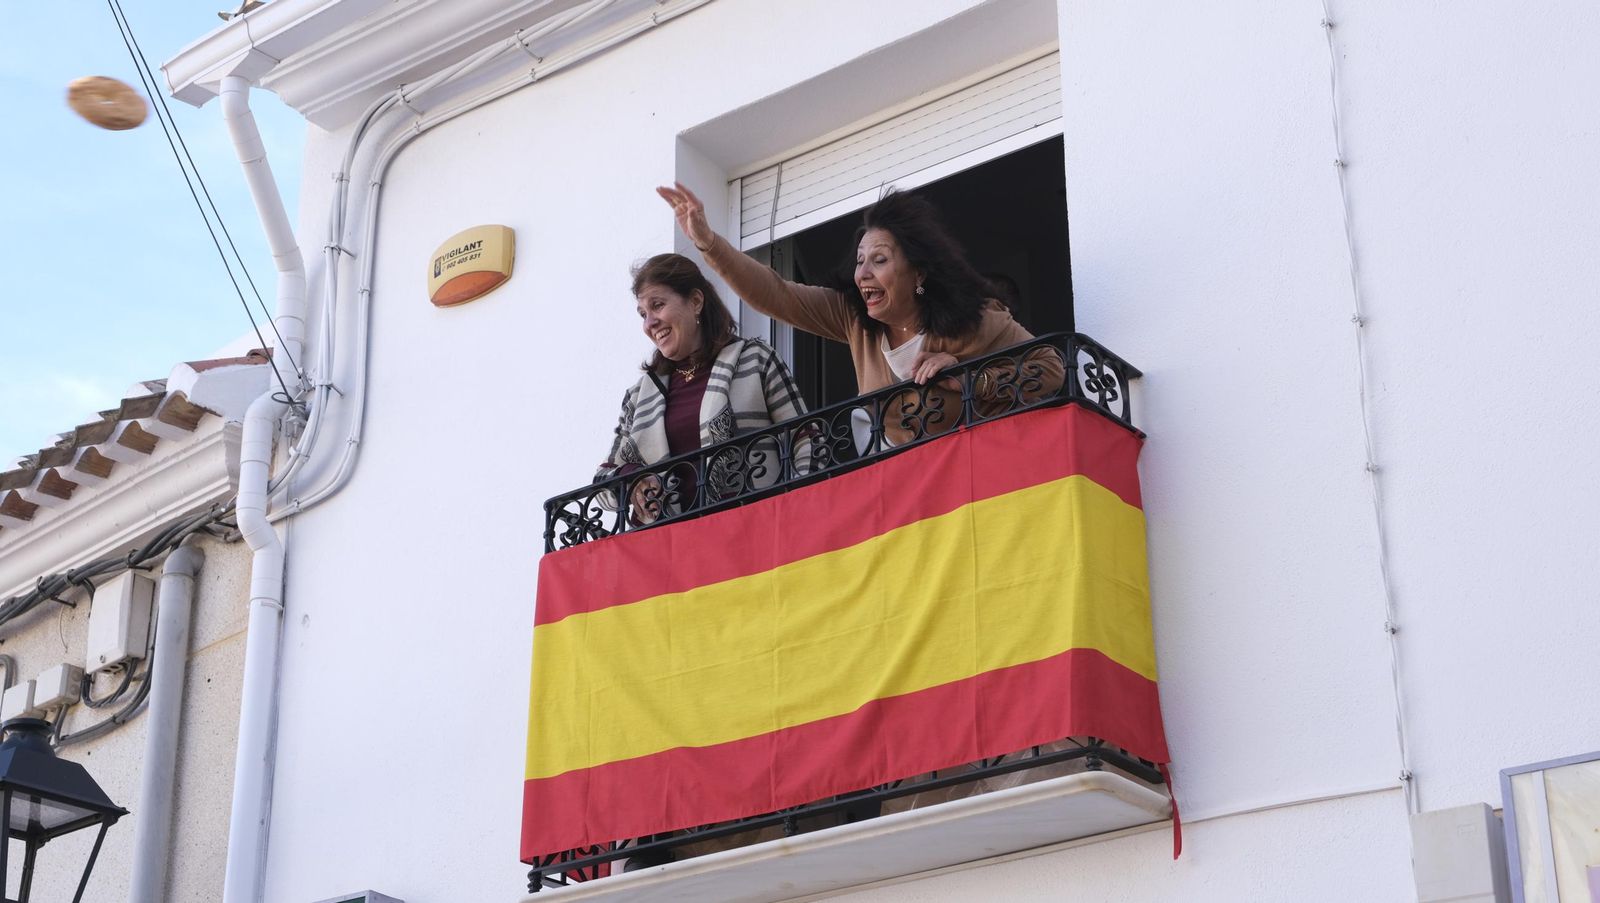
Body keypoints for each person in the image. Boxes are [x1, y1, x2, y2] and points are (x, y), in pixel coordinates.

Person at [655, 183, 1062, 446]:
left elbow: (1052, 369)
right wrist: (708, 243)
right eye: (860, 260)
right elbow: (774, 294)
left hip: (984, 483)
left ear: (918, 272)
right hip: (905, 494)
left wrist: (972, 377)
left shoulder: (976, 320)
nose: (863, 272)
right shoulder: (852, 317)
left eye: (879, 260)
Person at [596, 253, 807, 524]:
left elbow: (807, 441)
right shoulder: (638, 397)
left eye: (657, 305)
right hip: (673, 550)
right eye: (643, 314)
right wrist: (630, 478)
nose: (649, 324)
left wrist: (800, 514)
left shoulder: (755, 360)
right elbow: (602, 483)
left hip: (758, 535)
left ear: (695, 301)